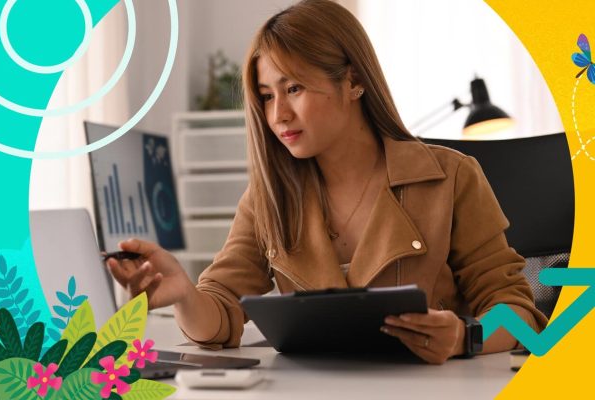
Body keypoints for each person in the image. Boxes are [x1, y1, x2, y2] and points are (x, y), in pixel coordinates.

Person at [106, 0, 547, 364]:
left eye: (293, 87)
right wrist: (185, 293)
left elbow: (516, 308)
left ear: (353, 81)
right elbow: (220, 315)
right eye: (266, 95)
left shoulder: (451, 176)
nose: (277, 114)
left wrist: (464, 338)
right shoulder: (267, 198)